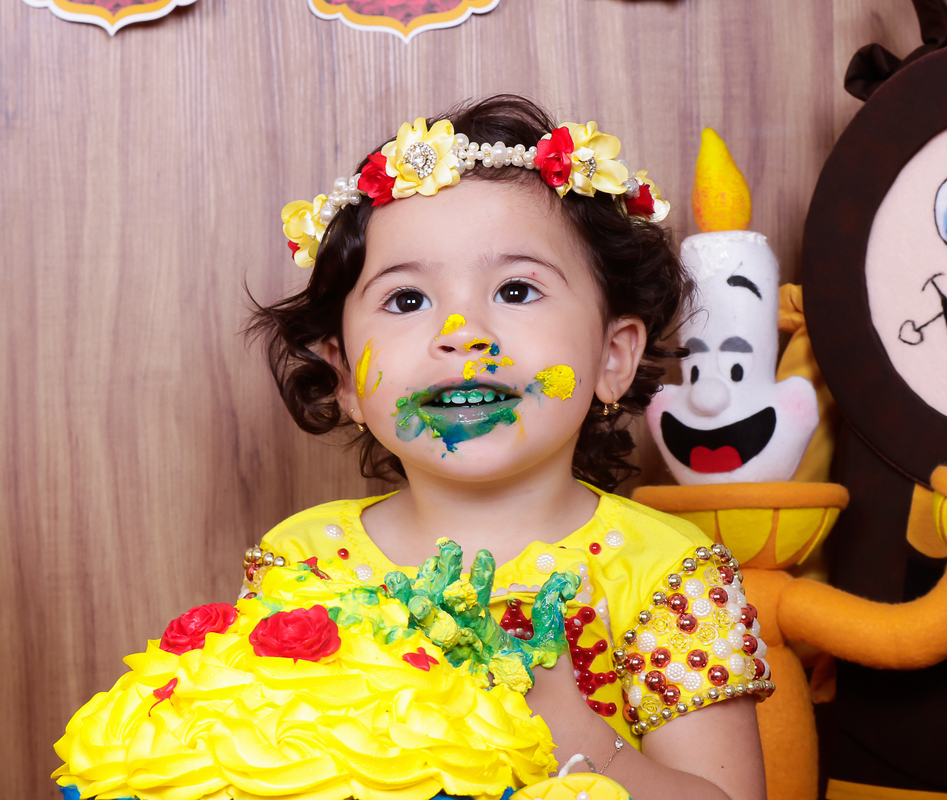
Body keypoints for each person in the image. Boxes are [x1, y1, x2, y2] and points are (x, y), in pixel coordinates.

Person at [246, 95, 770, 800]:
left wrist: (581, 743)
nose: (463, 334)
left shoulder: (666, 575)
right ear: (344, 378)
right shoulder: (302, 565)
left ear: (613, 355)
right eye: (407, 301)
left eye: (517, 290)